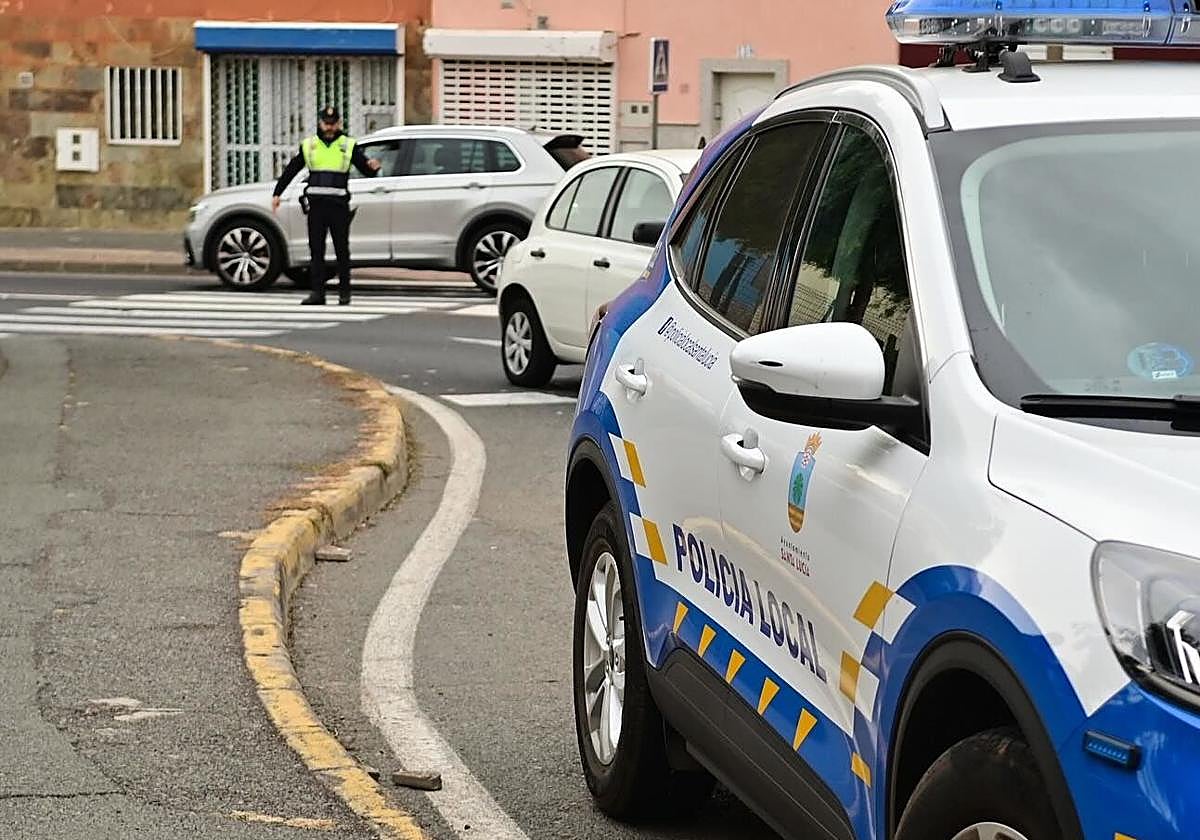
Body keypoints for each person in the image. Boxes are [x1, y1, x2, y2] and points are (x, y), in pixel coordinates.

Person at [272, 105, 381, 305]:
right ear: (320, 123)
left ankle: (344, 293)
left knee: (342, 250)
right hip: (317, 207)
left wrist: (374, 168)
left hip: (338, 205)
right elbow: (292, 169)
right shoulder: (310, 145)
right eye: (326, 123)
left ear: (339, 123)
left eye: (333, 124)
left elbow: (365, 169)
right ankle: (318, 293)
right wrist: (277, 193)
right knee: (316, 251)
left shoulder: (348, 145)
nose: (329, 127)